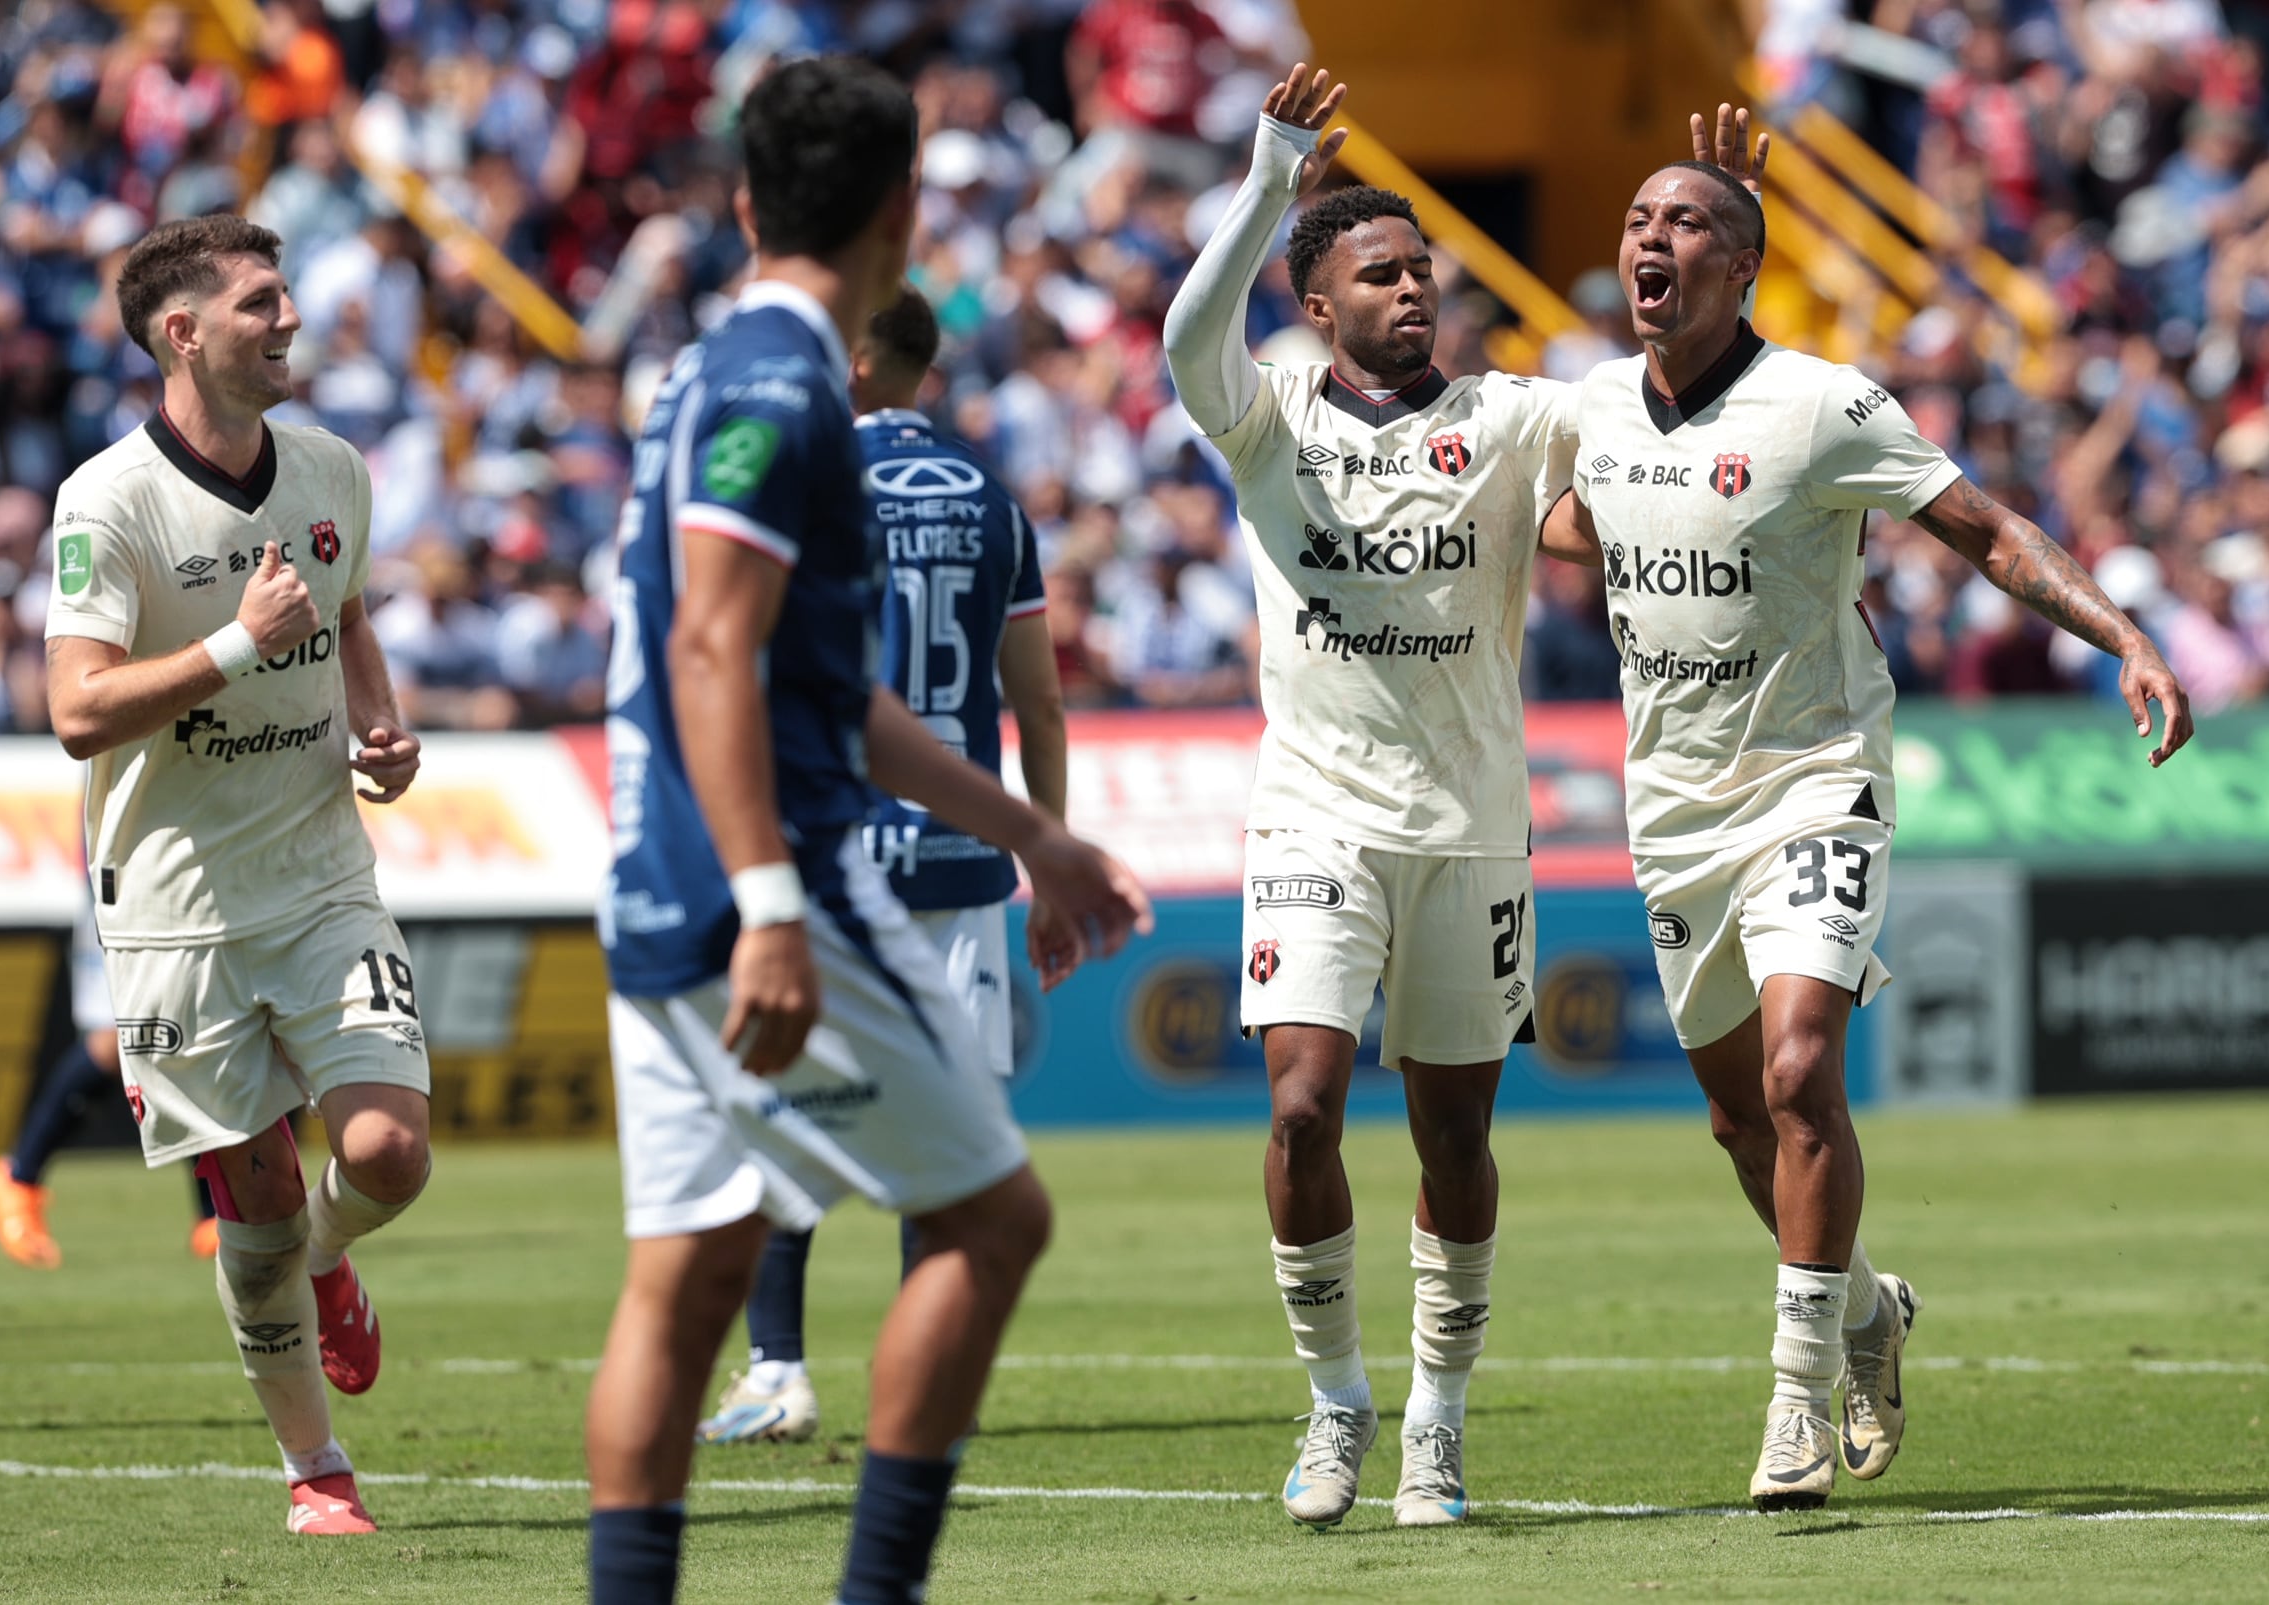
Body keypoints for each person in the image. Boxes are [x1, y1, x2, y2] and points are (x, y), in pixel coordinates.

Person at [1541, 108, 2195, 1511]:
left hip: (1816, 778)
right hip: (1672, 807)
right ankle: (1863, 1312)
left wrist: (2125, 637)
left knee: (1797, 1077)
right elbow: (1564, 528)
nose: (1652, 239)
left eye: (1687, 223)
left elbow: (1986, 531)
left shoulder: (1822, 406)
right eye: (1641, 220)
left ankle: (1792, 1399)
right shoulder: (1588, 408)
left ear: (1742, 269)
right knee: (1739, 1123)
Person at [586, 59, 1149, 1605]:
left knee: (687, 1276)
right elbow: (715, 646)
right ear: (907, 212)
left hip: (657, 878)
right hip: (769, 886)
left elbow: (825, 691)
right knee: (994, 1217)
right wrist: (771, 897)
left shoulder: (703, 375)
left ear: (745, 203)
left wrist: (1033, 836)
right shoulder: (786, 389)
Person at [1160, 63, 1578, 1530]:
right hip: (1313, 815)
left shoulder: (1512, 419)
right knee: (1299, 1110)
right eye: (1380, 274)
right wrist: (1270, 177)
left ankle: (1437, 1425)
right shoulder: (1269, 413)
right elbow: (1184, 337)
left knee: (1454, 1138)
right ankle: (1337, 1401)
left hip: (1472, 828)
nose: (1412, 290)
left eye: (1421, 271)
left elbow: (1641, 461)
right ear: (1317, 304)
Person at [41, 213, 433, 1538]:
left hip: (320, 875)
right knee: (252, 1198)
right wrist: (234, 646)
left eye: (285, 296)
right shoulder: (106, 500)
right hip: (176, 907)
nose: (290, 320)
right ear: (182, 332)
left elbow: (349, 613)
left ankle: (328, 1261)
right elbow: (76, 711)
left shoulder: (330, 469)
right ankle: (316, 1472)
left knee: (388, 1151)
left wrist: (378, 727)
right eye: (261, 302)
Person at [697, 285, 1069, 1448]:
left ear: (855, 363)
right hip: (963, 857)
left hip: (833, 849)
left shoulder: (804, 482)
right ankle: (927, 1387)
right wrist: (1049, 857)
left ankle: (777, 1373)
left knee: (778, 1113)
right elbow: (1038, 706)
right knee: (947, 1138)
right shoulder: (993, 497)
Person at [0, 880, 219, 1268]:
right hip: (125, 884)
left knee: (187, 1032)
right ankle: (18, 1177)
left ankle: (214, 1213)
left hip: (187, 886)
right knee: (118, 1039)